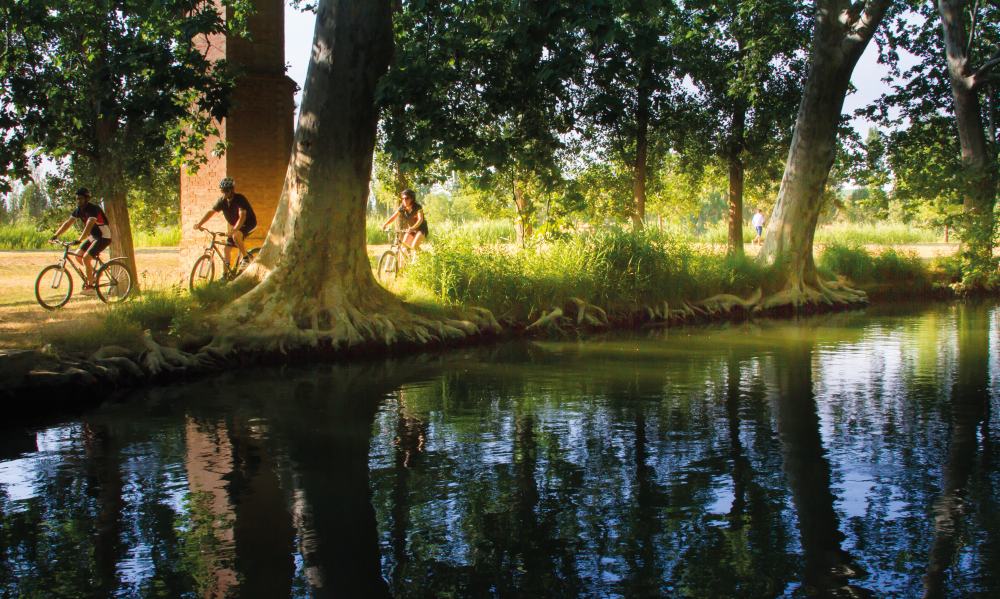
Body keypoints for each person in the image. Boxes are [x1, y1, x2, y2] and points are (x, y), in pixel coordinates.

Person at [50, 187, 112, 290]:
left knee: (86, 258)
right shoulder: (79, 210)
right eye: (77, 199)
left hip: (104, 237)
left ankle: (91, 287)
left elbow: (89, 225)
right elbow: (68, 223)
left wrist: (80, 239)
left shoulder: (93, 209)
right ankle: (95, 274)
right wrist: (55, 235)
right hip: (93, 237)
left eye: (81, 199)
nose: (78, 201)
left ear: (87, 199)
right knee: (78, 256)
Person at [193, 177, 257, 267]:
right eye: (222, 191)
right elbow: (211, 212)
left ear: (232, 190)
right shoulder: (222, 201)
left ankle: (246, 258)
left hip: (249, 223)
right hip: (237, 226)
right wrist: (199, 224)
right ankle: (225, 275)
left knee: (236, 235)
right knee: (226, 249)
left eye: (226, 191)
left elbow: (242, 217)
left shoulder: (240, 199)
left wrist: (233, 230)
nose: (224, 193)